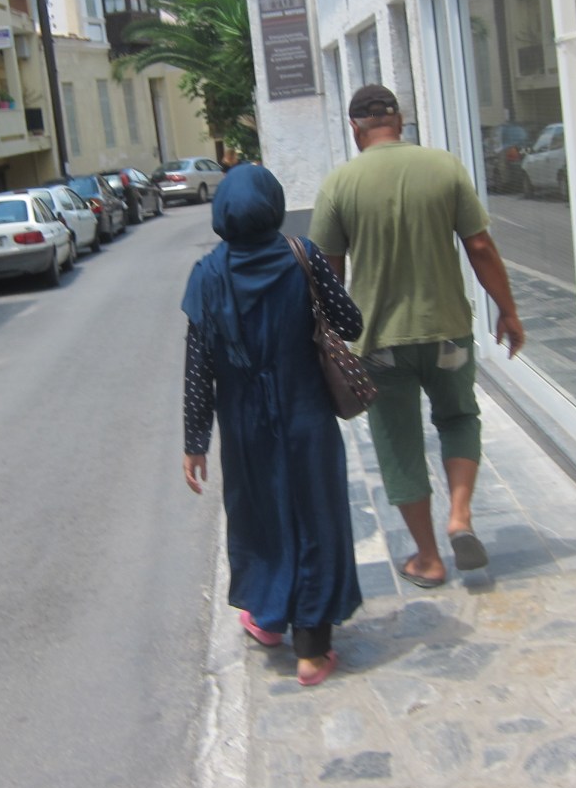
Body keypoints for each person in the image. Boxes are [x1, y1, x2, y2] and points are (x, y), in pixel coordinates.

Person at [310, 84, 526, 590]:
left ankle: (428, 559)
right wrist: (508, 311)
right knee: (458, 418)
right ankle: (460, 516)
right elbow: (480, 247)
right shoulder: (444, 168)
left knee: (398, 443)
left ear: (354, 128)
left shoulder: (339, 185)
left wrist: (329, 340)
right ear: (400, 120)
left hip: (379, 343)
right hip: (447, 333)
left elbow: (327, 275)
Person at [181, 163, 364, 686]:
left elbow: (199, 367)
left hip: (245, 426)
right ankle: (312, 651)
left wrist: (195, 442)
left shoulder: (207, 275)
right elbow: (350, 323)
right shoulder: (302, 255)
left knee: (260, 517)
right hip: (307, 416)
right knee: (315, 517)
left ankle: (265, 617)